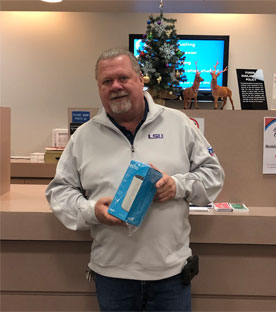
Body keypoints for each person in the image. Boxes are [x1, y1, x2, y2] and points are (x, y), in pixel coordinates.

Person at [46, 48, 224, 312]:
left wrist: (177, 186)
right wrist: (92, 211)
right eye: (107, 81)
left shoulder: (179, 124)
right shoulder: (83, 137)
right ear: (99, 88)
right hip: (112, 276)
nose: (115, 86)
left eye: (123, 78)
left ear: (141, 80)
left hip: (171, 275)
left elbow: (213, 176)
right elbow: (59, 192)